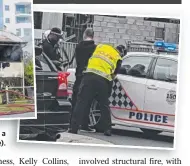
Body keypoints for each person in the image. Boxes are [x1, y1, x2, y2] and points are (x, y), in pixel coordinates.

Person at [69, 44, 123, 136]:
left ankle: (74, 128)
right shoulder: (118, 57)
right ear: (121, 53)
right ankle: (107, 129)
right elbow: (113, 76)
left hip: (88, 77)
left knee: (81, 102)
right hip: (102, 80)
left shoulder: (100, 47)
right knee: (104, 105)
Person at [69, 28, 97, 132]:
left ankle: (72, 124)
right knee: (87, 101)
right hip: (88, 77)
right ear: (93, 36)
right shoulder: (95, 48)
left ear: (84, 34)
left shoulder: (78, 46)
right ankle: (84, 124)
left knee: (75, 101)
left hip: (78, 75)